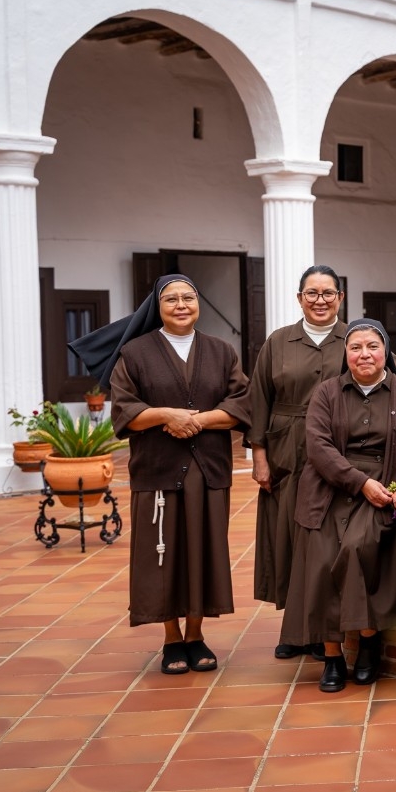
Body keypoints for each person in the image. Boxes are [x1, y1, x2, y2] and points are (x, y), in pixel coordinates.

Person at [108, 274, 251, 675]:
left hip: (207, 470)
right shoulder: (134, 353)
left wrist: (197, 420)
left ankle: (196, 633)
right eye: (171, 299)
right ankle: (171, 637)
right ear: (158, 306)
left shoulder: (222, 352)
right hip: (157, 470)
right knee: (163, 554)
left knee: (203, 550)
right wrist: (164, 415)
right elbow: (124, 410)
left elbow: (241, 404)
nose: (181, 304)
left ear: (198, 303)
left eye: (189, 297)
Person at [283, 318, 396, 692]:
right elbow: (318, 447)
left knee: (357, 548)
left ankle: (368, 642)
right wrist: (359, 482)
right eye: (355, 347)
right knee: (319, 555)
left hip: (382, 489)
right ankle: (332, 655)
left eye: (372, 346)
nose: (364, 354)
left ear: (386, 352)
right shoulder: (326, 393)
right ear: (345, 354)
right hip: (329, 488)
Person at [247, 265, 349, 659]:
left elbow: (393, 379)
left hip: (339, 449)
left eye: (328, 293)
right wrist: (259, 455)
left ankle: (328, 630)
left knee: (327, 540)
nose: (320, 300)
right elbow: (258, 399)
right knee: (288, 537)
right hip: (286, 450)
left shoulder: (356, 339)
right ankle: (296, 630)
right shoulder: (278, 342)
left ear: (340, 298)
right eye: (312, 293)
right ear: (299, 298)